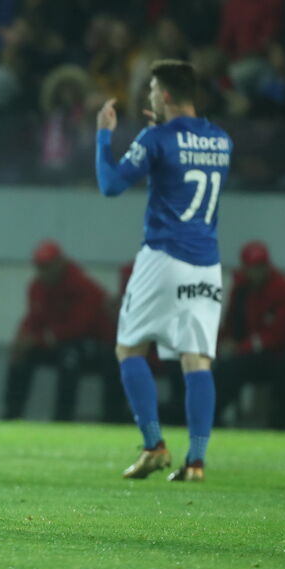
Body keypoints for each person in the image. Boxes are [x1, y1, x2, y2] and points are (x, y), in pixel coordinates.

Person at [95, 60, 232, 482]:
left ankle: (154, 446)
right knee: (197, 359)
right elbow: (183, 156)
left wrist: (104, 134)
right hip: (207, 265)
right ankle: (196, 462)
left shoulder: (156, 138)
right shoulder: (221, 140)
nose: (150, 95)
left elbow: (111, 184)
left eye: (153, 89)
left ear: (166, 95)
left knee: (129, 348)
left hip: (164, 257)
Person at [3, 240, 121, 422]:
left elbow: (78, 327)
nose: (44, 271)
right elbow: (33, 319)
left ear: (60, 263)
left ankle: (63, 418)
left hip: (95, 345)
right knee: (22, 355)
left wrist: (40, 339)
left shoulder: (82, 285)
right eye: (40, 266)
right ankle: (12, 414)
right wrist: (22, 340)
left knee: (70, 357)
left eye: (47, 266)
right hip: (58, 343)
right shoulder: (37, 287)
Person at [214, 241, 285, 428]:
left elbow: (279, 335)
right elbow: (231, 324)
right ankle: (206, 415)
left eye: (261, 266)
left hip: (277, 355)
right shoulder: (241, 290)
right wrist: (225, 344)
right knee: (217, 366)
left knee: (234, 367)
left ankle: (212, 415)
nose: (257, 272)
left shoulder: (282, 288)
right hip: (247, 353)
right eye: (252, 267)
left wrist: (242, 347)